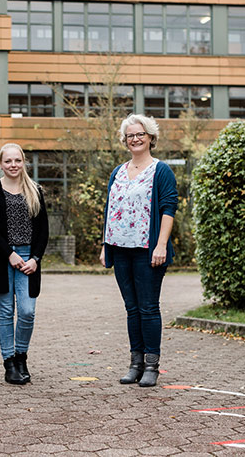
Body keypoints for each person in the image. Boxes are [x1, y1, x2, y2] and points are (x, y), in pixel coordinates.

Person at [99, 114, 178, 388]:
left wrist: (160, 245)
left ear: (150, 137)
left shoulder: (161, 171)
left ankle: (152, 366)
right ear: (125, 140)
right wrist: (104, 245)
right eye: (130, 135)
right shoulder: (118, 172)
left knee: (148, 308)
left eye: (140, 134)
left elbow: (168, 209)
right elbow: (111, 210)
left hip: (148, 251)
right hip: (120, 249)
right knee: (131, 309)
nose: (135, 139)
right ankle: (135, 363)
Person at [0, 143, 49, 385]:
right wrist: (10, 254)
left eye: (17, 161)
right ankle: (9, 363)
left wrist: (35, 259)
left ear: (23, 162)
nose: (13, 165)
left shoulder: (35, 190)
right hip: (1, 258)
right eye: (8, 161)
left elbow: (43, 230)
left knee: (28, 311)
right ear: (1, 164)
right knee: (6, 311)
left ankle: (21, 357)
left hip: (28, 257)